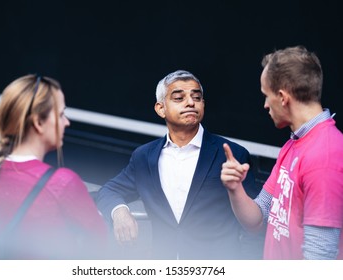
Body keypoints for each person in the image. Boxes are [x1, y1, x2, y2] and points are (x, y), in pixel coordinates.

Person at [96, 70, 262, 259]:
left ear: (203, 105)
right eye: (179, 98)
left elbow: (256, 225)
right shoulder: (144, 157)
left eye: (196, 97)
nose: (190, 102)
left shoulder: (232, 154)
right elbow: (109, 190)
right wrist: (119, 212)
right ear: (160, 108)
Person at [221, 46, 343, 259]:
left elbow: (319, 259)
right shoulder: (295, 144)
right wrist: (235, 188)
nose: (265, 105)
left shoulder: (326, 155)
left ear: (282, 96)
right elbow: (257, 219)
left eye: (266, 96)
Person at [0, 74, 107, 259]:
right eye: (61, 114)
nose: (67, 122)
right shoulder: (63, 182)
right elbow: (100, 247)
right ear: (38, 122)